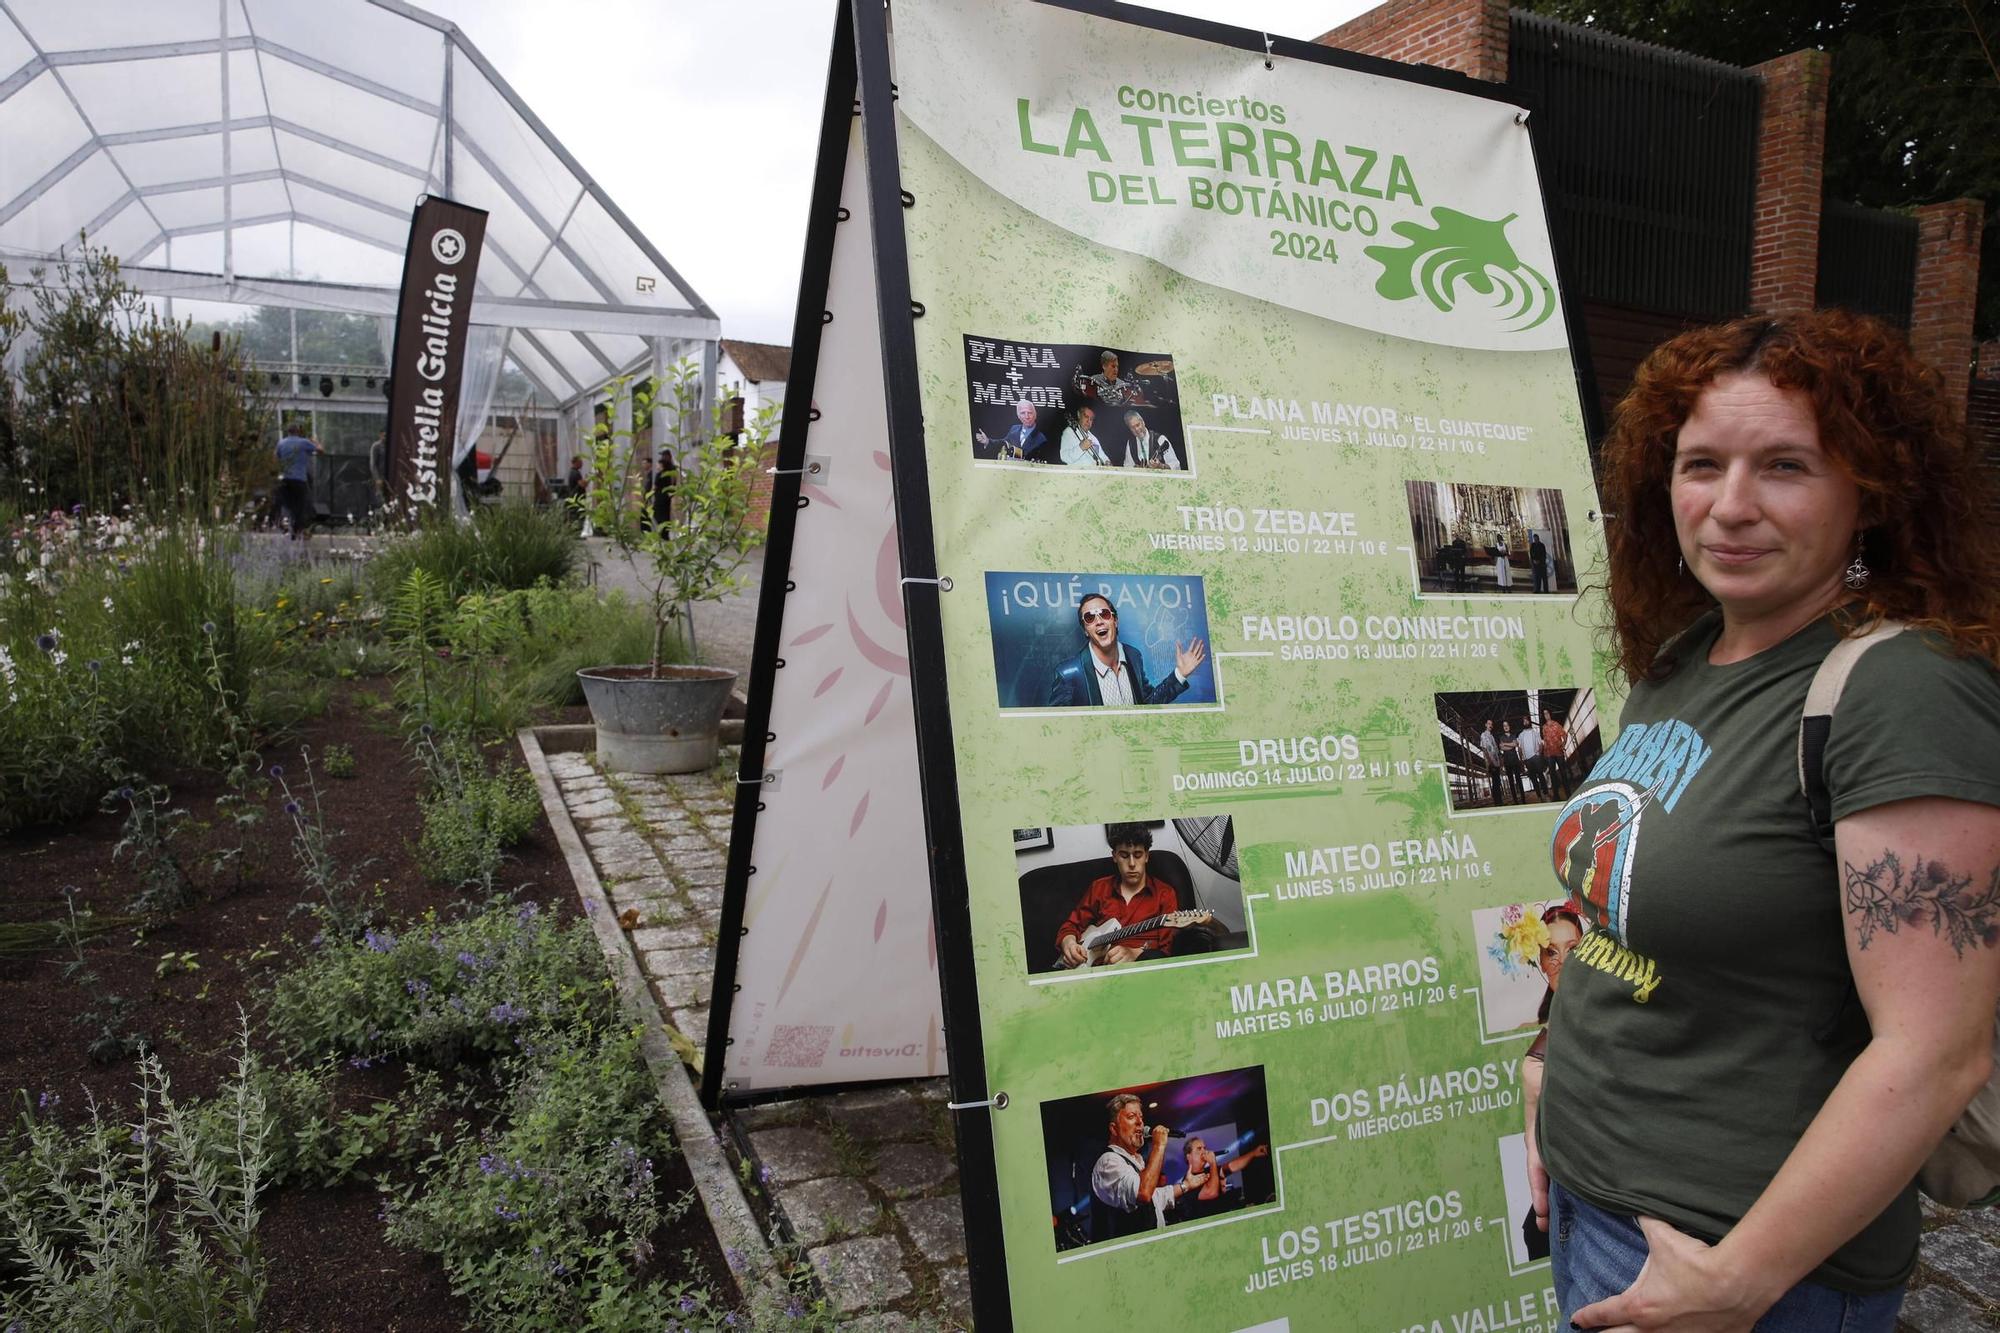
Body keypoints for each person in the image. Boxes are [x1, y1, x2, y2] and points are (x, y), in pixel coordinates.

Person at [1525, 309, 2000, 1333]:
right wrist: (1543, 1068)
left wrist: (1739, 1280)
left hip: (1741, 1262)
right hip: (1590, 1195)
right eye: (1700, 464)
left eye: (1783, 465)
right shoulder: (1685, 653)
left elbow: (1934, 1052)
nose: (1728, 507)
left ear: (1867, 494)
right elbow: (1611, 899)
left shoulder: (1900, 690)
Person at [1520, 903, 1585, 1262]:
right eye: (1551, 952)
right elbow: (1535, 1143)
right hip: (1578, 1205)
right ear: (1541, 963)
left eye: (1573, 949)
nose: (1562, 961)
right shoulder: (1537, 1061)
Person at [1055, 823, 1214, 968]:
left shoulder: (1164, 894)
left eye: (1137, 854)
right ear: (1114, 856)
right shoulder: (1099, 888)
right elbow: (1071, 926)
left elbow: (1166, 951)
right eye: (1124, 855)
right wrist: (1068, 943)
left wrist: (1134, 953)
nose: (1131, 863)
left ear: (1146, 856)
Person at [1045, 592, 1205, 707]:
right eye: (1089, 618)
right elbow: (1059, 727)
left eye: (1104, 614)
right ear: (1086, 630)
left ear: (1115, 621)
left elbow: (1147, 704)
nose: (1098, 621)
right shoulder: (1068, 674)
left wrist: (1180, 674)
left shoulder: (1133, 656)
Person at [1091, 1093, 1210, 1241]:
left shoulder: (1135, 1160)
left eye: (1141, 1117)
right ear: (1114, 1129)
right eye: (1131, 1116)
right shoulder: (1108, 1162)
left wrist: (1186, 1185)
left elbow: (1155, 1199)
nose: (1140, 1122)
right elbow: (1143, 1193)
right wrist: (1159, 1145)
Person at [1175, 1137, 1271, 1222]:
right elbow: (1211, 1192)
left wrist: (1253, 1153)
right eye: (1199, 1149)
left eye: (1205, 1148)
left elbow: (1232, 1166)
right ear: (1189, 1156)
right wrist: (1213, 1163)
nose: (1204, 1151)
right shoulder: (1188, 1180)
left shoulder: (1210, 1171)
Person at [274, 420, 322, 541]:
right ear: (298, 431)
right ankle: (296, 532)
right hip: (299, 479)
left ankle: (286, 527)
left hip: (284, 478)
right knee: (300, 506)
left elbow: (274, 458)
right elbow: (321, 451)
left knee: (286, 504)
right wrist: (315, 441)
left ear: (288, 431)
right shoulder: (303, 442)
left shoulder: (281, 443)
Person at [977, 399, 1047, 462]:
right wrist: (987, 441)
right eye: (1023, 413)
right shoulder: (1014, 428)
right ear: (1018, 416)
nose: (1027, 417)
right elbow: (1004, 443)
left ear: (1035, 415)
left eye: (1030, 413)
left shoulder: (1042, 439)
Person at [1075, 349, 1145, 408]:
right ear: (1104, 366)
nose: (1116, 370)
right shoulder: (1094, 381)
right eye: (1113, 366)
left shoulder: (1122, 385)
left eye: (1117, 366)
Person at [1540, 709, 1570, 800]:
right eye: (1544, 714)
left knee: (1563, 773)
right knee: (1552, 775)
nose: (1546, 715)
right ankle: (1556, 795)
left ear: (1550, 714)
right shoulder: (1544, 727)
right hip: (1549, 755)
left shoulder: (1556, 725)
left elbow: (1565, 735)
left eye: (1547, 713)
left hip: (1559, 752)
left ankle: (1568, 793)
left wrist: (1563, 744)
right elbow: (1545, 741)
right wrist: (1544, 752)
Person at [1515, 714, 1545, 800]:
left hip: (1536, 757)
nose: (1525, 722)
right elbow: (1519, 748)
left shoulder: (1535, 732)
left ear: (1529, 721)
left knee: (1540, 775)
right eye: (1524, 721)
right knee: (1533, 778)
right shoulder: (1520, 735)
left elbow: (1540, 744)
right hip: (1527, 760)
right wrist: (1521, 760)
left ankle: (1545, 793)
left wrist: (1539, 754)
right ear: (1522, 723)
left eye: (1526, 720)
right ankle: (1539, 796)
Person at [1477, 718, 1506, 805]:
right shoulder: (1483, 735)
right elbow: (1484, 749)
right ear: (1486, 725)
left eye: (1491, 724)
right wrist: (1490, 762)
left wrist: (1500, 762)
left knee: (1498, 781)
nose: (1490, 725)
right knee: (1495, 782)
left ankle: (1499, 801)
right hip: (1491, 762)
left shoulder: (1492, 736)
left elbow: (1496, 751)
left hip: (1496, 763)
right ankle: (1497, 802)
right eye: (1489, 723)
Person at [652, 449, 676, 526]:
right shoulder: (672, 469)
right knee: (665, 516)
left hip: (661, 497)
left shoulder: (662, 473)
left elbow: (654, 487)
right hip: (666, 497)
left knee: (659, 516)